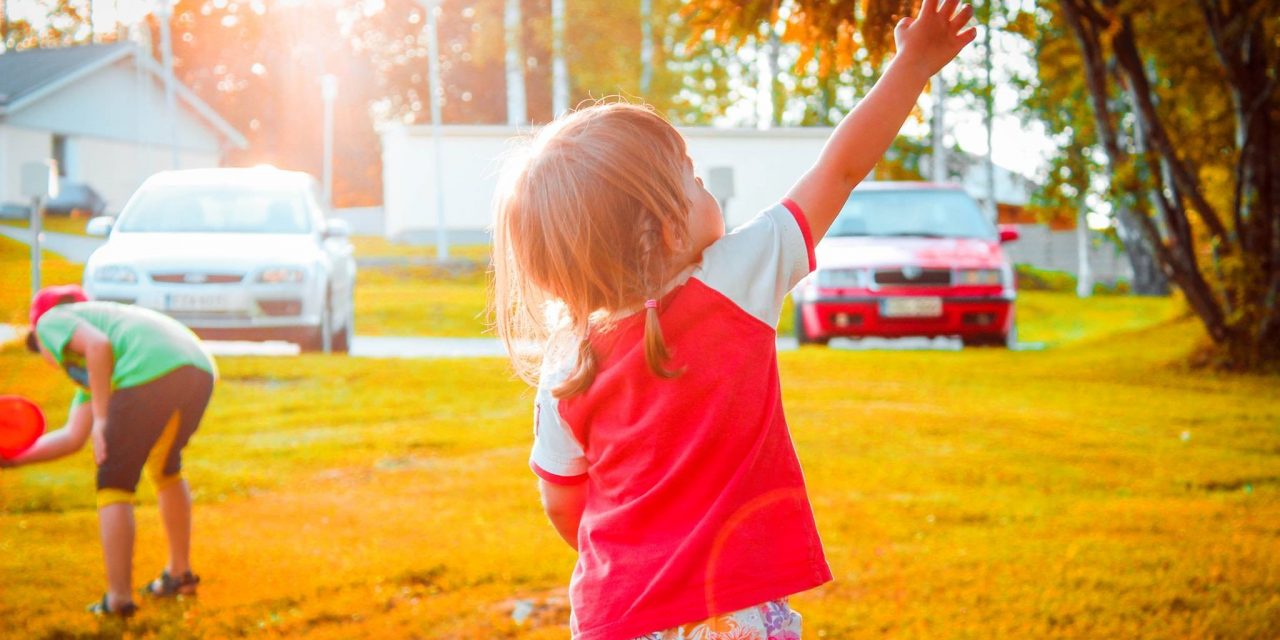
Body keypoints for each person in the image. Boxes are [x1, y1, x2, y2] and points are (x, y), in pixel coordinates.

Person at [490, 1, 975, 638]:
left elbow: (564, 502)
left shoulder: (568, 366)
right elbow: (841, 168)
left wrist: (635, 558)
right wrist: (911, 66)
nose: (705, 187)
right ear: (665, 228)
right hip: (732, 614)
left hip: (617, 617)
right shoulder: (736, 278)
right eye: (692, 180)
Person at [3, 285, 217, 618]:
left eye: (36, 348)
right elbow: (73, 437)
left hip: (152, 368)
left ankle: (118, 599)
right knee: (165, 467)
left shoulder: (51, 322)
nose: (46, 356)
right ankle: (180, 574)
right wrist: (10, 459)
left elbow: (97, 346)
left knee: (113, 480)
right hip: (196, 366)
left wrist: (103, 421)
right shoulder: (101, 368)